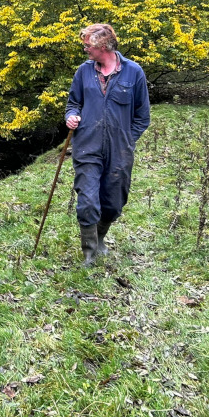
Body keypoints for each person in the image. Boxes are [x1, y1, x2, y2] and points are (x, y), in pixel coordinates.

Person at [64, 24, 150, 266]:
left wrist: (126, 139)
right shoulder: (84, 71)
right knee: (87, 201)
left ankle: (100, 238)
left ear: (103, 46)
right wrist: (71, 116)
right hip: (87, 146)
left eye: (88, 46)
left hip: (119, 150)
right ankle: (89, 253)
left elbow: (142, 116)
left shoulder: (133, 72)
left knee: (113, 203)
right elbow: (73, 103)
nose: (85, 49)